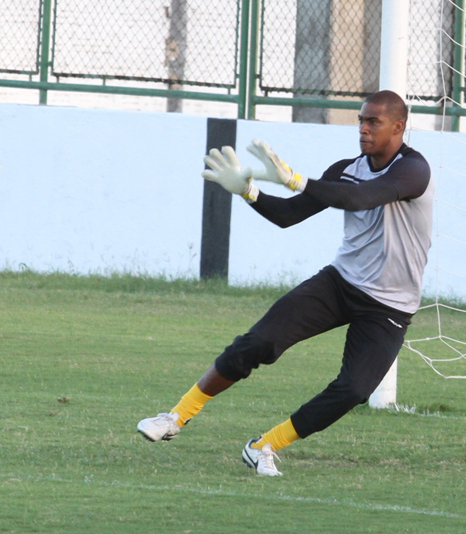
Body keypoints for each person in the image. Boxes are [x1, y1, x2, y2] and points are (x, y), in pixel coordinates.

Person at [137, 90, 433, 476]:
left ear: (398, 126)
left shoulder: (414, 170)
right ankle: (176, 417)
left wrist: (295, 179)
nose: (363, 128)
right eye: (361, 120)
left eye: (373, 122)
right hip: (340, 283)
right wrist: (249, 192)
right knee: (259, 342)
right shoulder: (346, 169)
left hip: (390, 305)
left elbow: (361, 198)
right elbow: (288, 216)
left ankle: (265, 445)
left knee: (354, 390)